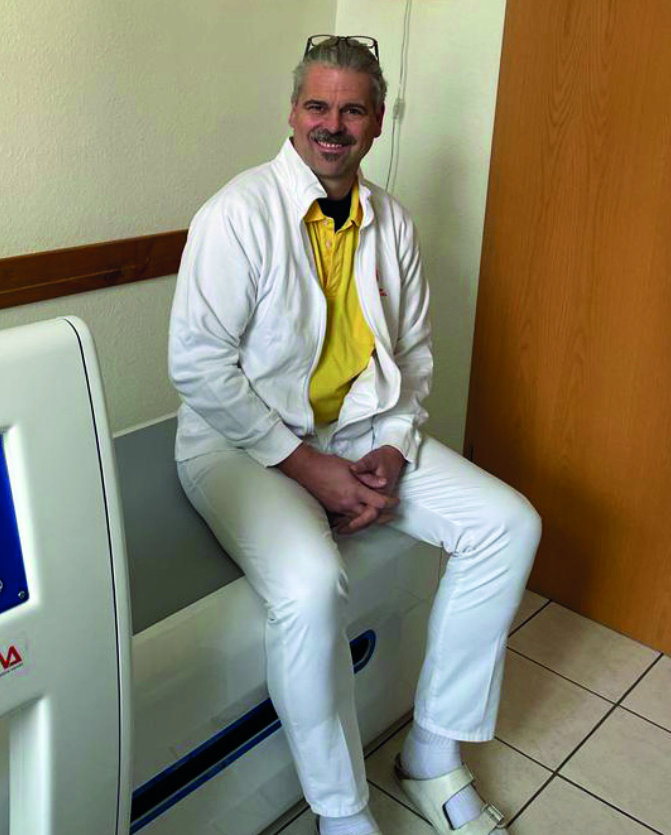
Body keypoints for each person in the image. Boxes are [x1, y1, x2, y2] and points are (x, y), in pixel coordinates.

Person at [168, 35, 539, 835]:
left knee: (508, 523)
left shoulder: (391, 223)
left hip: (359, 431)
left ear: (376, 122)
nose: (331, 125)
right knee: (309, 584)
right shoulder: (237, 213)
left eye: (352, 110)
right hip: (237, 445)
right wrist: (308, 468)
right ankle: (341, 812)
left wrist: (392, 449)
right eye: (317, 105)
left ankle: (432, 755)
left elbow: (413, 354)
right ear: (292, 113)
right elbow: (198, 368)